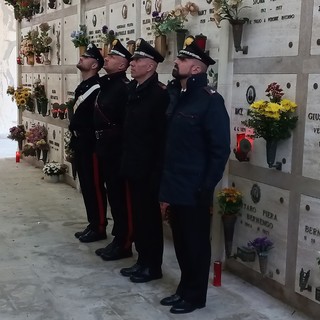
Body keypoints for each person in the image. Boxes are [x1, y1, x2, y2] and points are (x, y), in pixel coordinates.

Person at [159, 37, 231, 314]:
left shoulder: (210, 101)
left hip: (195, 186)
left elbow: (220, 149)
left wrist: (206, 186)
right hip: (175, 182)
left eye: (183, 60)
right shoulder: (178, 97)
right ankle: (183, 289)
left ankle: (195, 295)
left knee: (196, 243)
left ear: (197, 69)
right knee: (181, 242)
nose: (177, 62)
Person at [119, 38, 170, 283]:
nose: (132, 63)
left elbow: (160, 137)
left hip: (150, 168)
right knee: (139, 216)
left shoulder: (160, 95)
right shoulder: (133, 90)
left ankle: (153, 266)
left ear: (150, 66)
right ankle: (142, 260)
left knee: (150, 219)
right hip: (133, 163)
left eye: (137, 60)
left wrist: (158, 171)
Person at [93, 39, 133, 261]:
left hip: (117, 150)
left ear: (122, 66)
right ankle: (117, 238)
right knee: (113, 196)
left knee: (120, 197)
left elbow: (125, 123)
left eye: (112, 57)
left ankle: (124, 241)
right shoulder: (107, 84)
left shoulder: (123, 88)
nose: (106, 58)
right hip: (105, 148)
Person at [69, 43, 107, 243]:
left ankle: (99, 226)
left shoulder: (97, 88)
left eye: (86, 57)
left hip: (91, 144)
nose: (81, 58)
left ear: (95, 65)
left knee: (94, 186)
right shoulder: (84, 86)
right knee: (86, 185)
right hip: (80, 143)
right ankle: (93, 223)